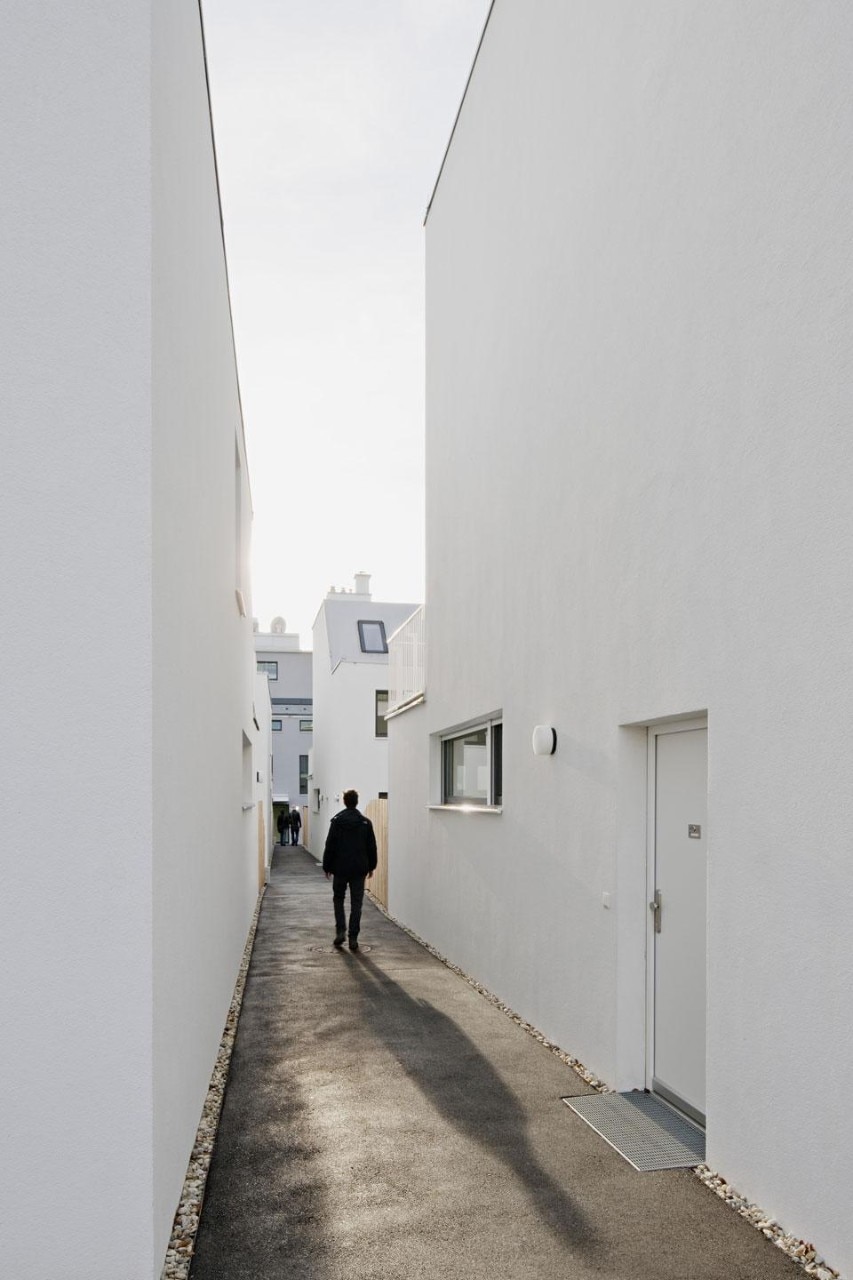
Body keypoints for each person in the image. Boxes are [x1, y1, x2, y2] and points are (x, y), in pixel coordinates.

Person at [322, 789, 377, 951]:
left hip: (340, 868)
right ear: (356, 802)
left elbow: (330, 845)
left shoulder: (337, 822)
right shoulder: (365, 823)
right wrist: (371, 866)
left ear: (345, 802)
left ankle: (340, 931)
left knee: (338, 899)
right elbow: (371, 847)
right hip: (359, 869)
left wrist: (327, 866)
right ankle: (353, 937)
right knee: (356, 903)